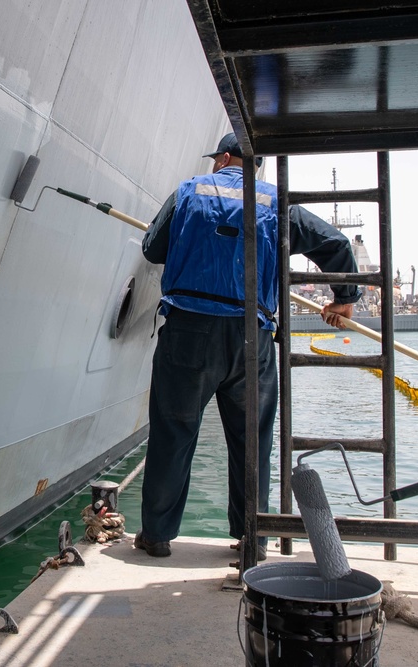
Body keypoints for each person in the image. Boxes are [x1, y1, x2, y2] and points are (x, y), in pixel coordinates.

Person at [134, 133, 360, 558]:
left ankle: (157, 535)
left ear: (223, 158)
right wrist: (344, 298)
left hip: (188, 332)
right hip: (251, 335)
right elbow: (335, 243)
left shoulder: (188, 191)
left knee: (173, 432)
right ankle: (251, 539)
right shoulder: (278, 202)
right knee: (251, 440)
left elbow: (152, 249)